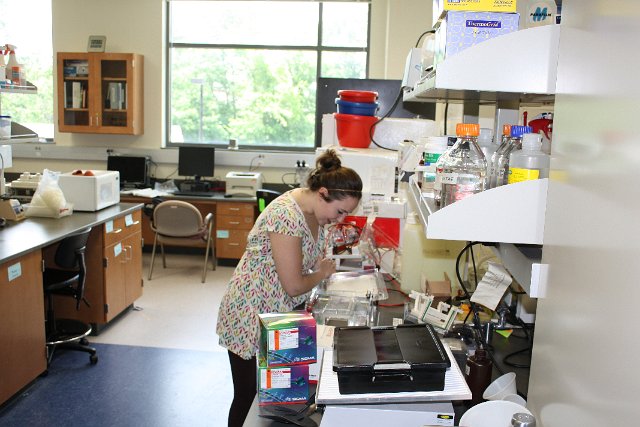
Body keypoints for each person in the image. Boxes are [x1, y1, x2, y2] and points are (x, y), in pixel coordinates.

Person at [216, 149, 363, 427]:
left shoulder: (315, 212)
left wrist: (321, 267)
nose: (340, 218)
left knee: (284, 397)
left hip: (283, 314)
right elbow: (294, 285)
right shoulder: (286, 216)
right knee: (248, 396)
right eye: (340, 211)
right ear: (322, 193)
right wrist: (321, 273)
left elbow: (309, 258)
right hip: (250, 313)